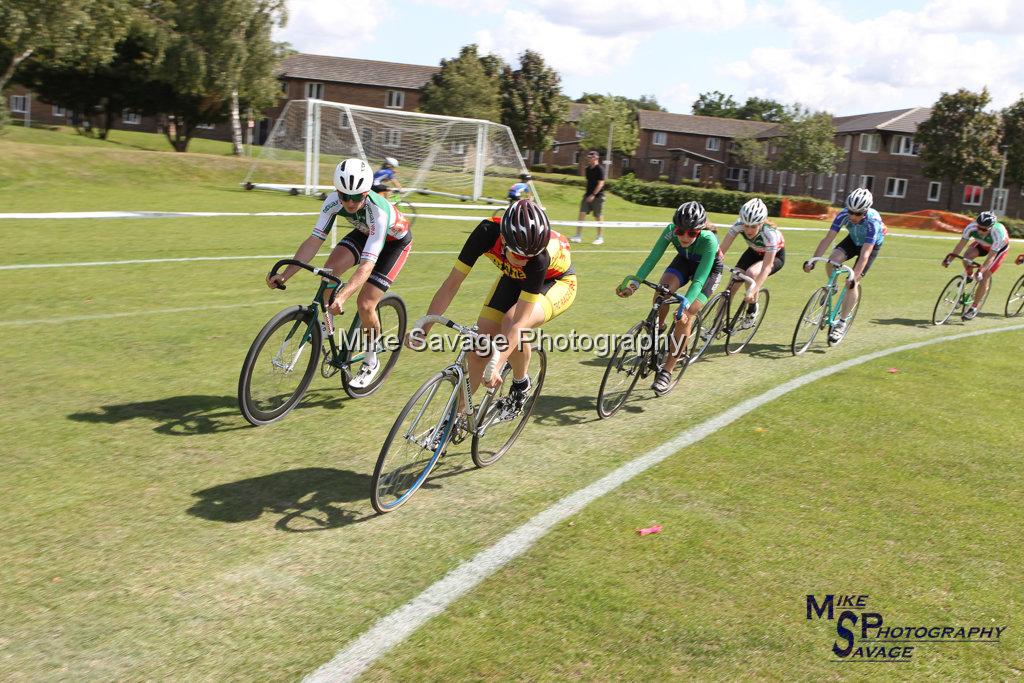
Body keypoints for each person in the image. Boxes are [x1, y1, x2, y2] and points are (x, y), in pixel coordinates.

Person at [412, 199, 576, 420]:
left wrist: (496, 366)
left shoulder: (537, 258)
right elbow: (451, 284)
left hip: (555, 283)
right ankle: (455, 419)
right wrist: (424, 328)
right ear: (504, 241)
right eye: (519, 255)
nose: (524, 261)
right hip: (512, 279)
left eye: (529, 257)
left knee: (511, 322)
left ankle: (521, 384)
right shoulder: (487, 232)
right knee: (479, 349)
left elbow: (519, 322)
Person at [268, 158, 412, 388]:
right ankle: (328, 326)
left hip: (393, 244)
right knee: (329, 272)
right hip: (364, 234)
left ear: (366, 193)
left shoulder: (379, 211)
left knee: (365, 304)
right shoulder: (333, 201)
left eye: (356, 197)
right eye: (344, 196)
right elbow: (314, 241)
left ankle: (371, 360)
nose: (349, 202)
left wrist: (343, 296)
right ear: (337, 191)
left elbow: (366, 265)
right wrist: (285, 274)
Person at [616, 201, 723, 395]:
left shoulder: (709, 240)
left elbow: (699, 280)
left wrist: (686, 304)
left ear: (699, 231)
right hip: (685, 261)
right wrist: (635, 284)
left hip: (708, 272)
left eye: (691, 233)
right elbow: (652, 258)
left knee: (686, 314)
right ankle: (660, 326)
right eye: (680, 231)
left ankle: (667, 371)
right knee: (662, 291)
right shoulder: (670, 230)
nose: (684, 236)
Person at [804, 188, 884, 342]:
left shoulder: (872, 222)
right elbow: (827, 239)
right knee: (832, 260)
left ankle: (841, 323)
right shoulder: (842, 215)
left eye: (858, 213)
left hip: (869, 246)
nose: (853, 216)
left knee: (852, 284)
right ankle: (832, 287)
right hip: (853, 240)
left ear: (866, 211)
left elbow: (865, 254)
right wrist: (813, 260)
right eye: (851, 212)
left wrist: (854, 276)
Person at [718, 197, 785, 328]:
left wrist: (753, 290)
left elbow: (766, 267)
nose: (748, 230)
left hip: (774, 257)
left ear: (761, 223)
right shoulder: (738, 225)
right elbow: (721, 251)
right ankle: (715, 324)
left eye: (753, 226)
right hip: (753, 252)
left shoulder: (770, 234)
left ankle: (752, 309)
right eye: (746, 225)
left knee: (751, 273)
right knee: (732, 283)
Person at [942, 210, 1010, 319]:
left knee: (985, 276)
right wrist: (950, 259)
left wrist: (981, 271)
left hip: (998, 250)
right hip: (982, 244)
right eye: (979, 227)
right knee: (966, 258)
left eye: (983, 229)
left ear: (991, 227)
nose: (980, 230)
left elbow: (991, 257)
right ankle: (969, 275)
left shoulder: (998, 234)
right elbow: (960, 245)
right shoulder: (971, 227)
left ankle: (974, 307)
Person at [572, 150, 606, 245]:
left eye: (591, 157)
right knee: (582, 214)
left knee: (598, 216)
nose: (589, 159)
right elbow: (589, 183)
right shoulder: (587, 169)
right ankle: (578, 236)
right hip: (587, 196)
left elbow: (601, 184)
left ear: (596, 158)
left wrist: (593, 195)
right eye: (588, 157)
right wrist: (588, 195)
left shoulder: (600, 169)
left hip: (598, 197)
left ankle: (600, 237)